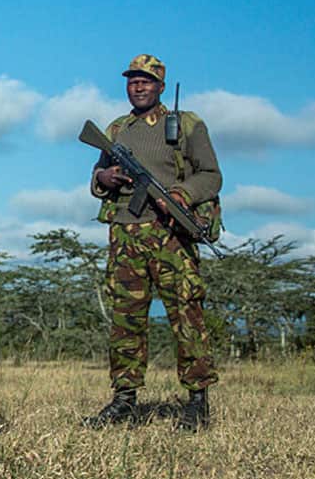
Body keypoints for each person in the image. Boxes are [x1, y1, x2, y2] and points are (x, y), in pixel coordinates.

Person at [85, 54, 222, 431]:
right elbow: (97, 175)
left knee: (186, 314)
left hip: (171, 235)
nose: (138, 86)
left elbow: (211, 175)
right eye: (132, 80)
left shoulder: (186, 124)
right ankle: (124, 400)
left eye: (146, 80)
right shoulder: (117, 128)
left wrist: (181, 194)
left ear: (161, 86)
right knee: (125, 319)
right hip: (125, 233)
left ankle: (197, 402)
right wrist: (105, 178)